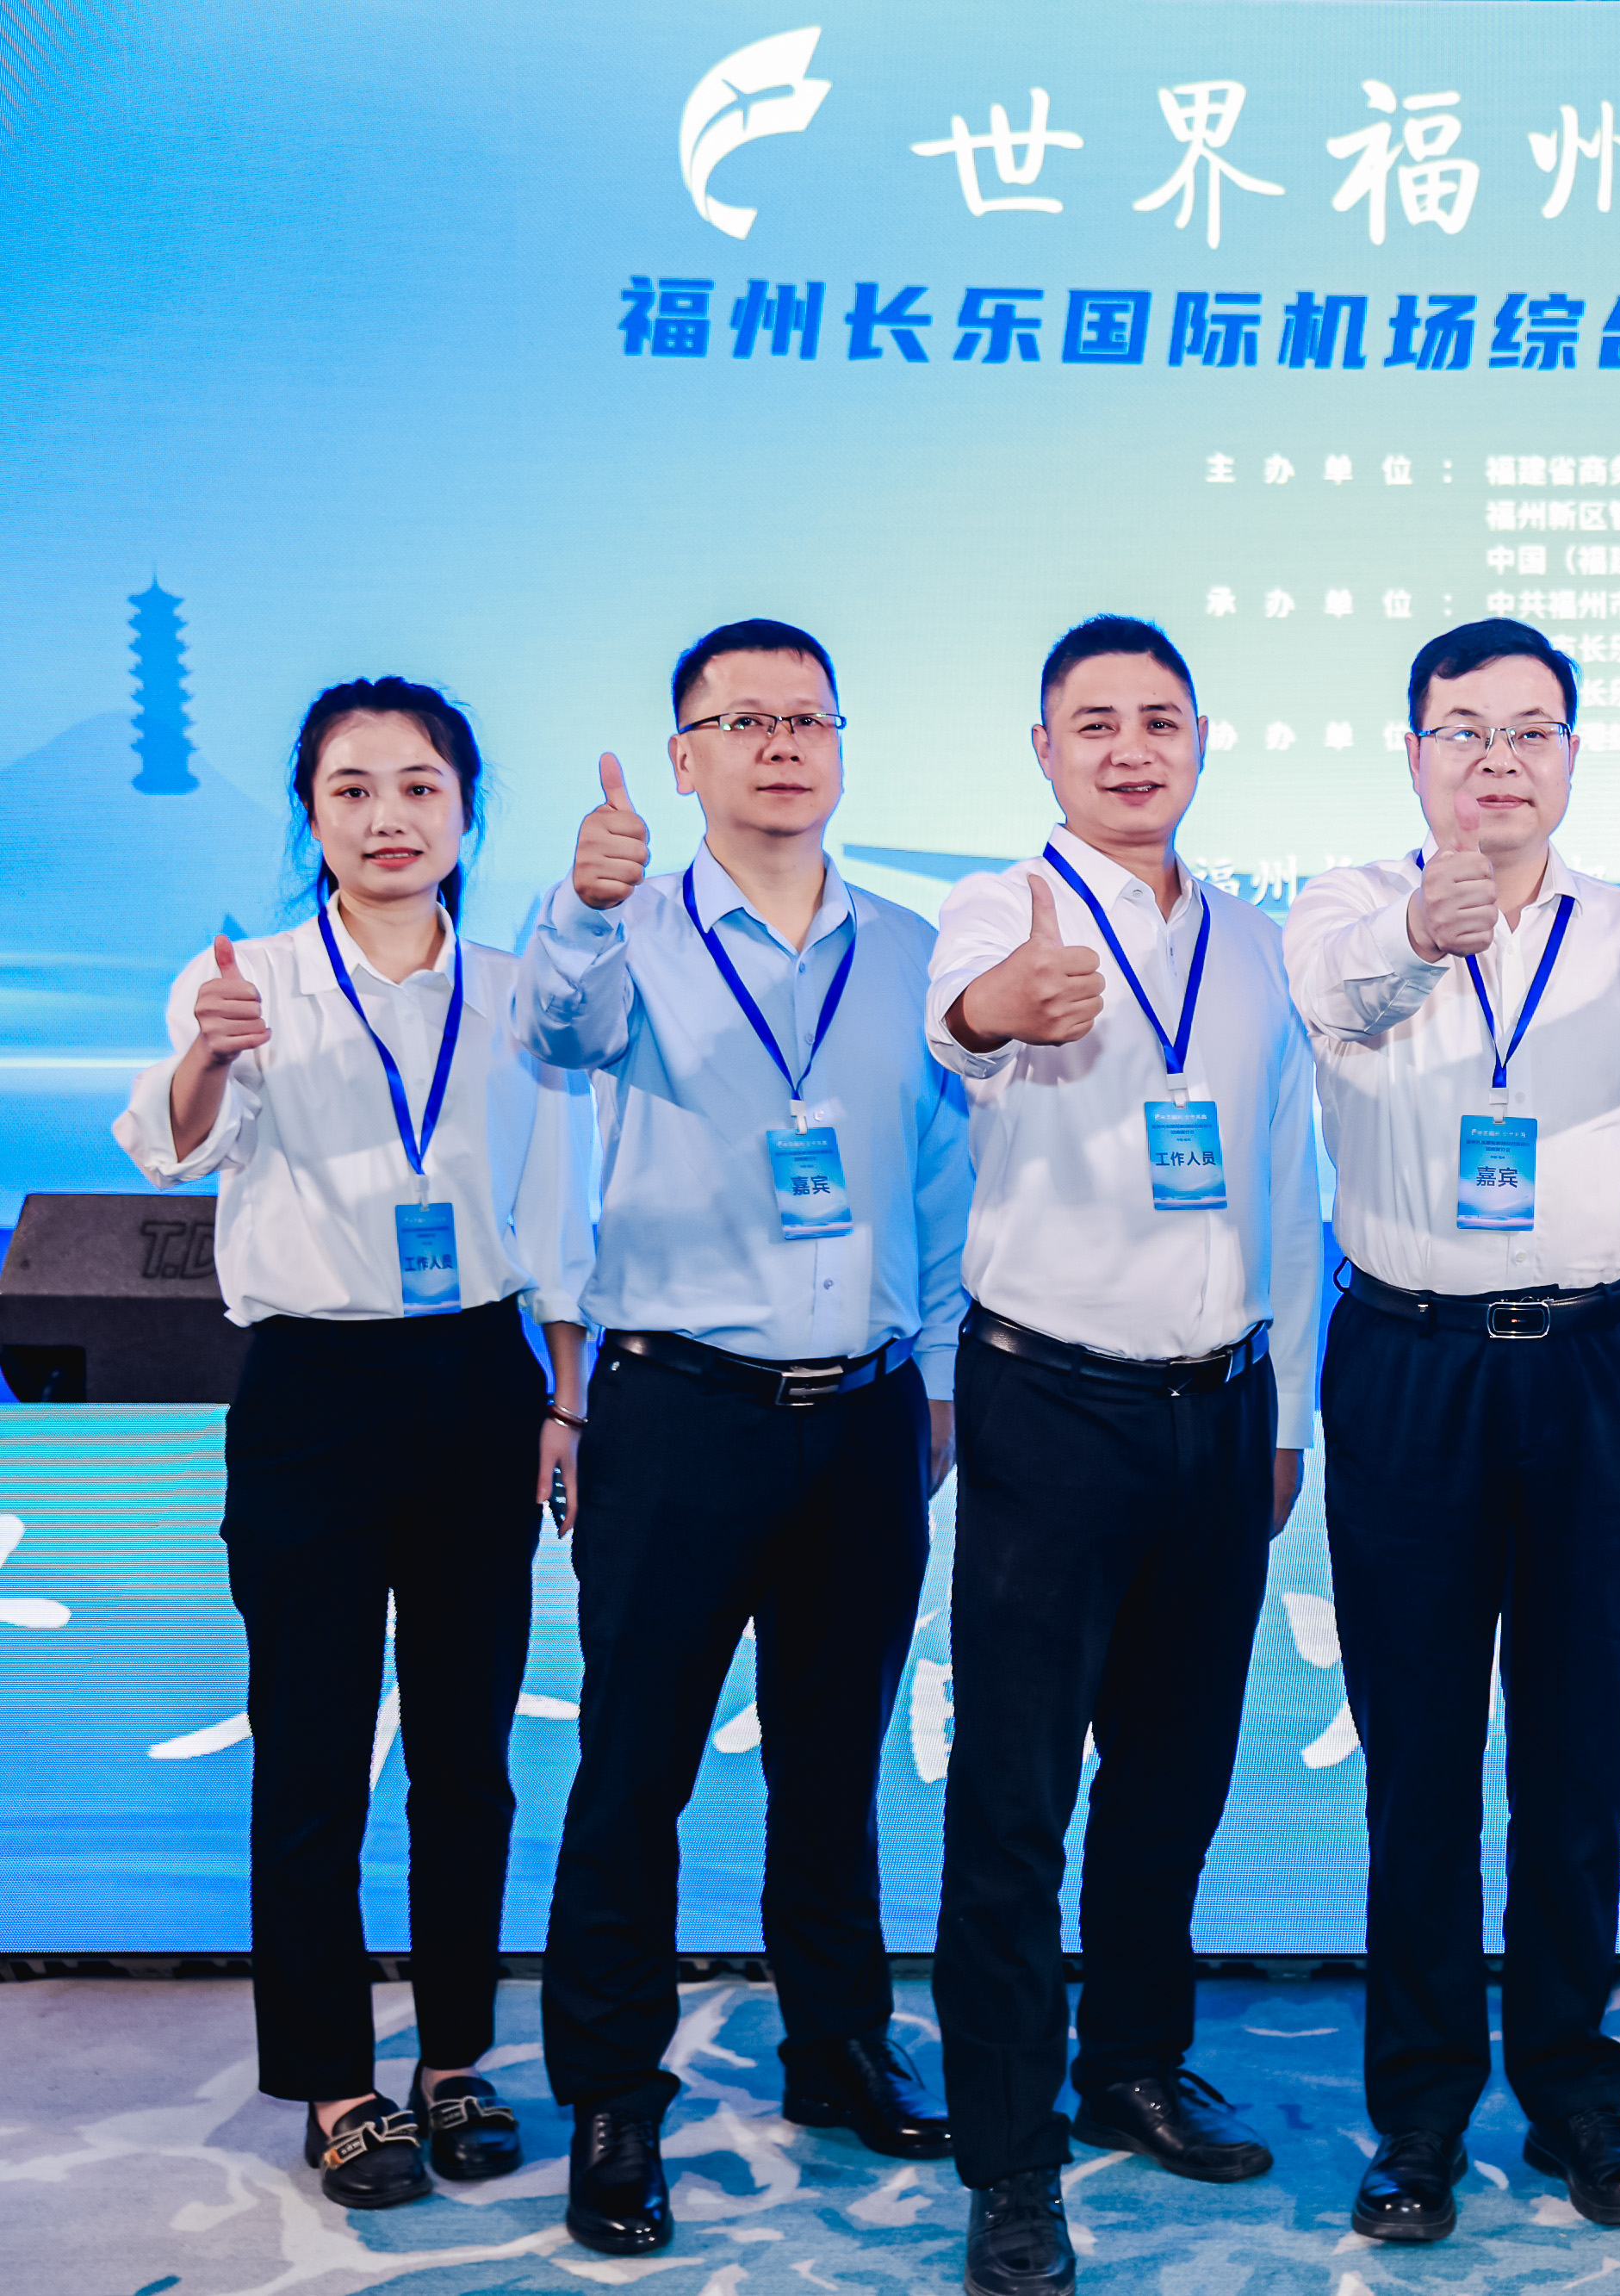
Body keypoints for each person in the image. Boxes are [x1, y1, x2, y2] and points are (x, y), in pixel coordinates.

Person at [524, 619, 972, 2259]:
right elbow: (553, 1040)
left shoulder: (914, 947)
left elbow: (943, 1176)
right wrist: (582, 904)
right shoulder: (621, 931)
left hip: (862, 1411)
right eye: (744, 720)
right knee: (632, 1767)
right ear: (685, 755)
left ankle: (836, 2042)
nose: (782, 744)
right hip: (679, 1408)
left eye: (808, 717)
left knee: (834, 1762)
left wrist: (936, 1374)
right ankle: (612, 2094)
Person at [1282, 617, 1620, 2244]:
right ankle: (1418, 2115)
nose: (1497, 760)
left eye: (1530, 731)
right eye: (1463, 730)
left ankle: (1571, 2090)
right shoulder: (1339, 907)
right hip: (1409, 1362)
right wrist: (1425, 927)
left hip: (1596, 1362)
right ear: (1413, 754)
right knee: (1418, 1758)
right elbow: (1344, 1000)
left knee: (1576, 1749)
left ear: (1571, 756)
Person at [115, 679, 590, 2209]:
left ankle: (453, 2058)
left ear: (465, 811)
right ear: (312, 813)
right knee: (314, 1755)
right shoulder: (248, 979)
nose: (389, 817)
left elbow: (558, 1204)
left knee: (466, 1759)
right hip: (314, 1390)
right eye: (353, 788)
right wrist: (210, 1050)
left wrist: (562, 1398)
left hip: (481, 1382)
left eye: (420, 786)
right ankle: (335, 2083)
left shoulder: (517, 992)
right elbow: (170, 1145)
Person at [922, 616, 1321, 2296]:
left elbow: (1285, 1175)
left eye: (1160, 718)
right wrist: (998, 1008)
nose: (1130, 747)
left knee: (1172, 1775)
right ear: (1044, 749)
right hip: (1052, 1408)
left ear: (1202, 740)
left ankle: (1133, 2064)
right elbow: (959, 1026)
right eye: (1094, 722)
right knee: (1015, 1799)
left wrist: (1284, 1411)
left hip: (1218, 1408)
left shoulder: (1254, 940)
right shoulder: (996, 905)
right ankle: (1011, 2160)